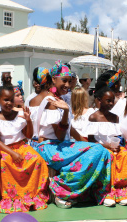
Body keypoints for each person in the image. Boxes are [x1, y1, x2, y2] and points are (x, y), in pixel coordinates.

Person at [30, 60, 112, 209]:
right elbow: (60, 136)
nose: (67, 85)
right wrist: (66, 111)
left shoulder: (59, 100)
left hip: (60, 145)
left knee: (102, 152)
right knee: (98, 151)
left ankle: (100, 193)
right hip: (48, 147)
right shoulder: (50, 102)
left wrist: (87, 143)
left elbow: (71, 130)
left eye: (69, 81)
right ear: (53, 79)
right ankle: (60, 190)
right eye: (64, 81)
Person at [0, 85, 49, 214]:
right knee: (4, 163)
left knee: (37, 160)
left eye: (11, 99)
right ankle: (11, 197)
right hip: (5, 149)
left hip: (22, 146)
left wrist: (28, 121)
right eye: (5, 100)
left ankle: (31, 194)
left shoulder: (20, 114)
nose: (9, 103)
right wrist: (12, 153)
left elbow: (29, 135)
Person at [84, 82, 127, 207]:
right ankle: (107, 192)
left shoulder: (115, 117)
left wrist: (116, 145)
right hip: (100, 148)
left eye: (113, 101)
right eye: (108, 101)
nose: (111, 104)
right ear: (100, 100)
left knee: (124, 154)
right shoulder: (93, 117)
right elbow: (90, 140)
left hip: (113, 147)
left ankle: (121, 190)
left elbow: (116, 137)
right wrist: (107, 146)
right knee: (109, 156)